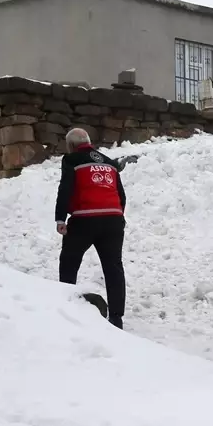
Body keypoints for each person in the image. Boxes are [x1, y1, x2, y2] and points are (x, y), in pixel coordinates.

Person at [55, 128, 127, 329]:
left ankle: (66, 307)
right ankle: (116, 318)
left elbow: (65, 188)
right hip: (113, 219)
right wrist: (119, 215)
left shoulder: (71, 160)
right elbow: (121, 194)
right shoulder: (109, 162)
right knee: (113, 268)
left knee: (69, 262)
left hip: (84, 219)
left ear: (70, 146)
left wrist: (60, 218)